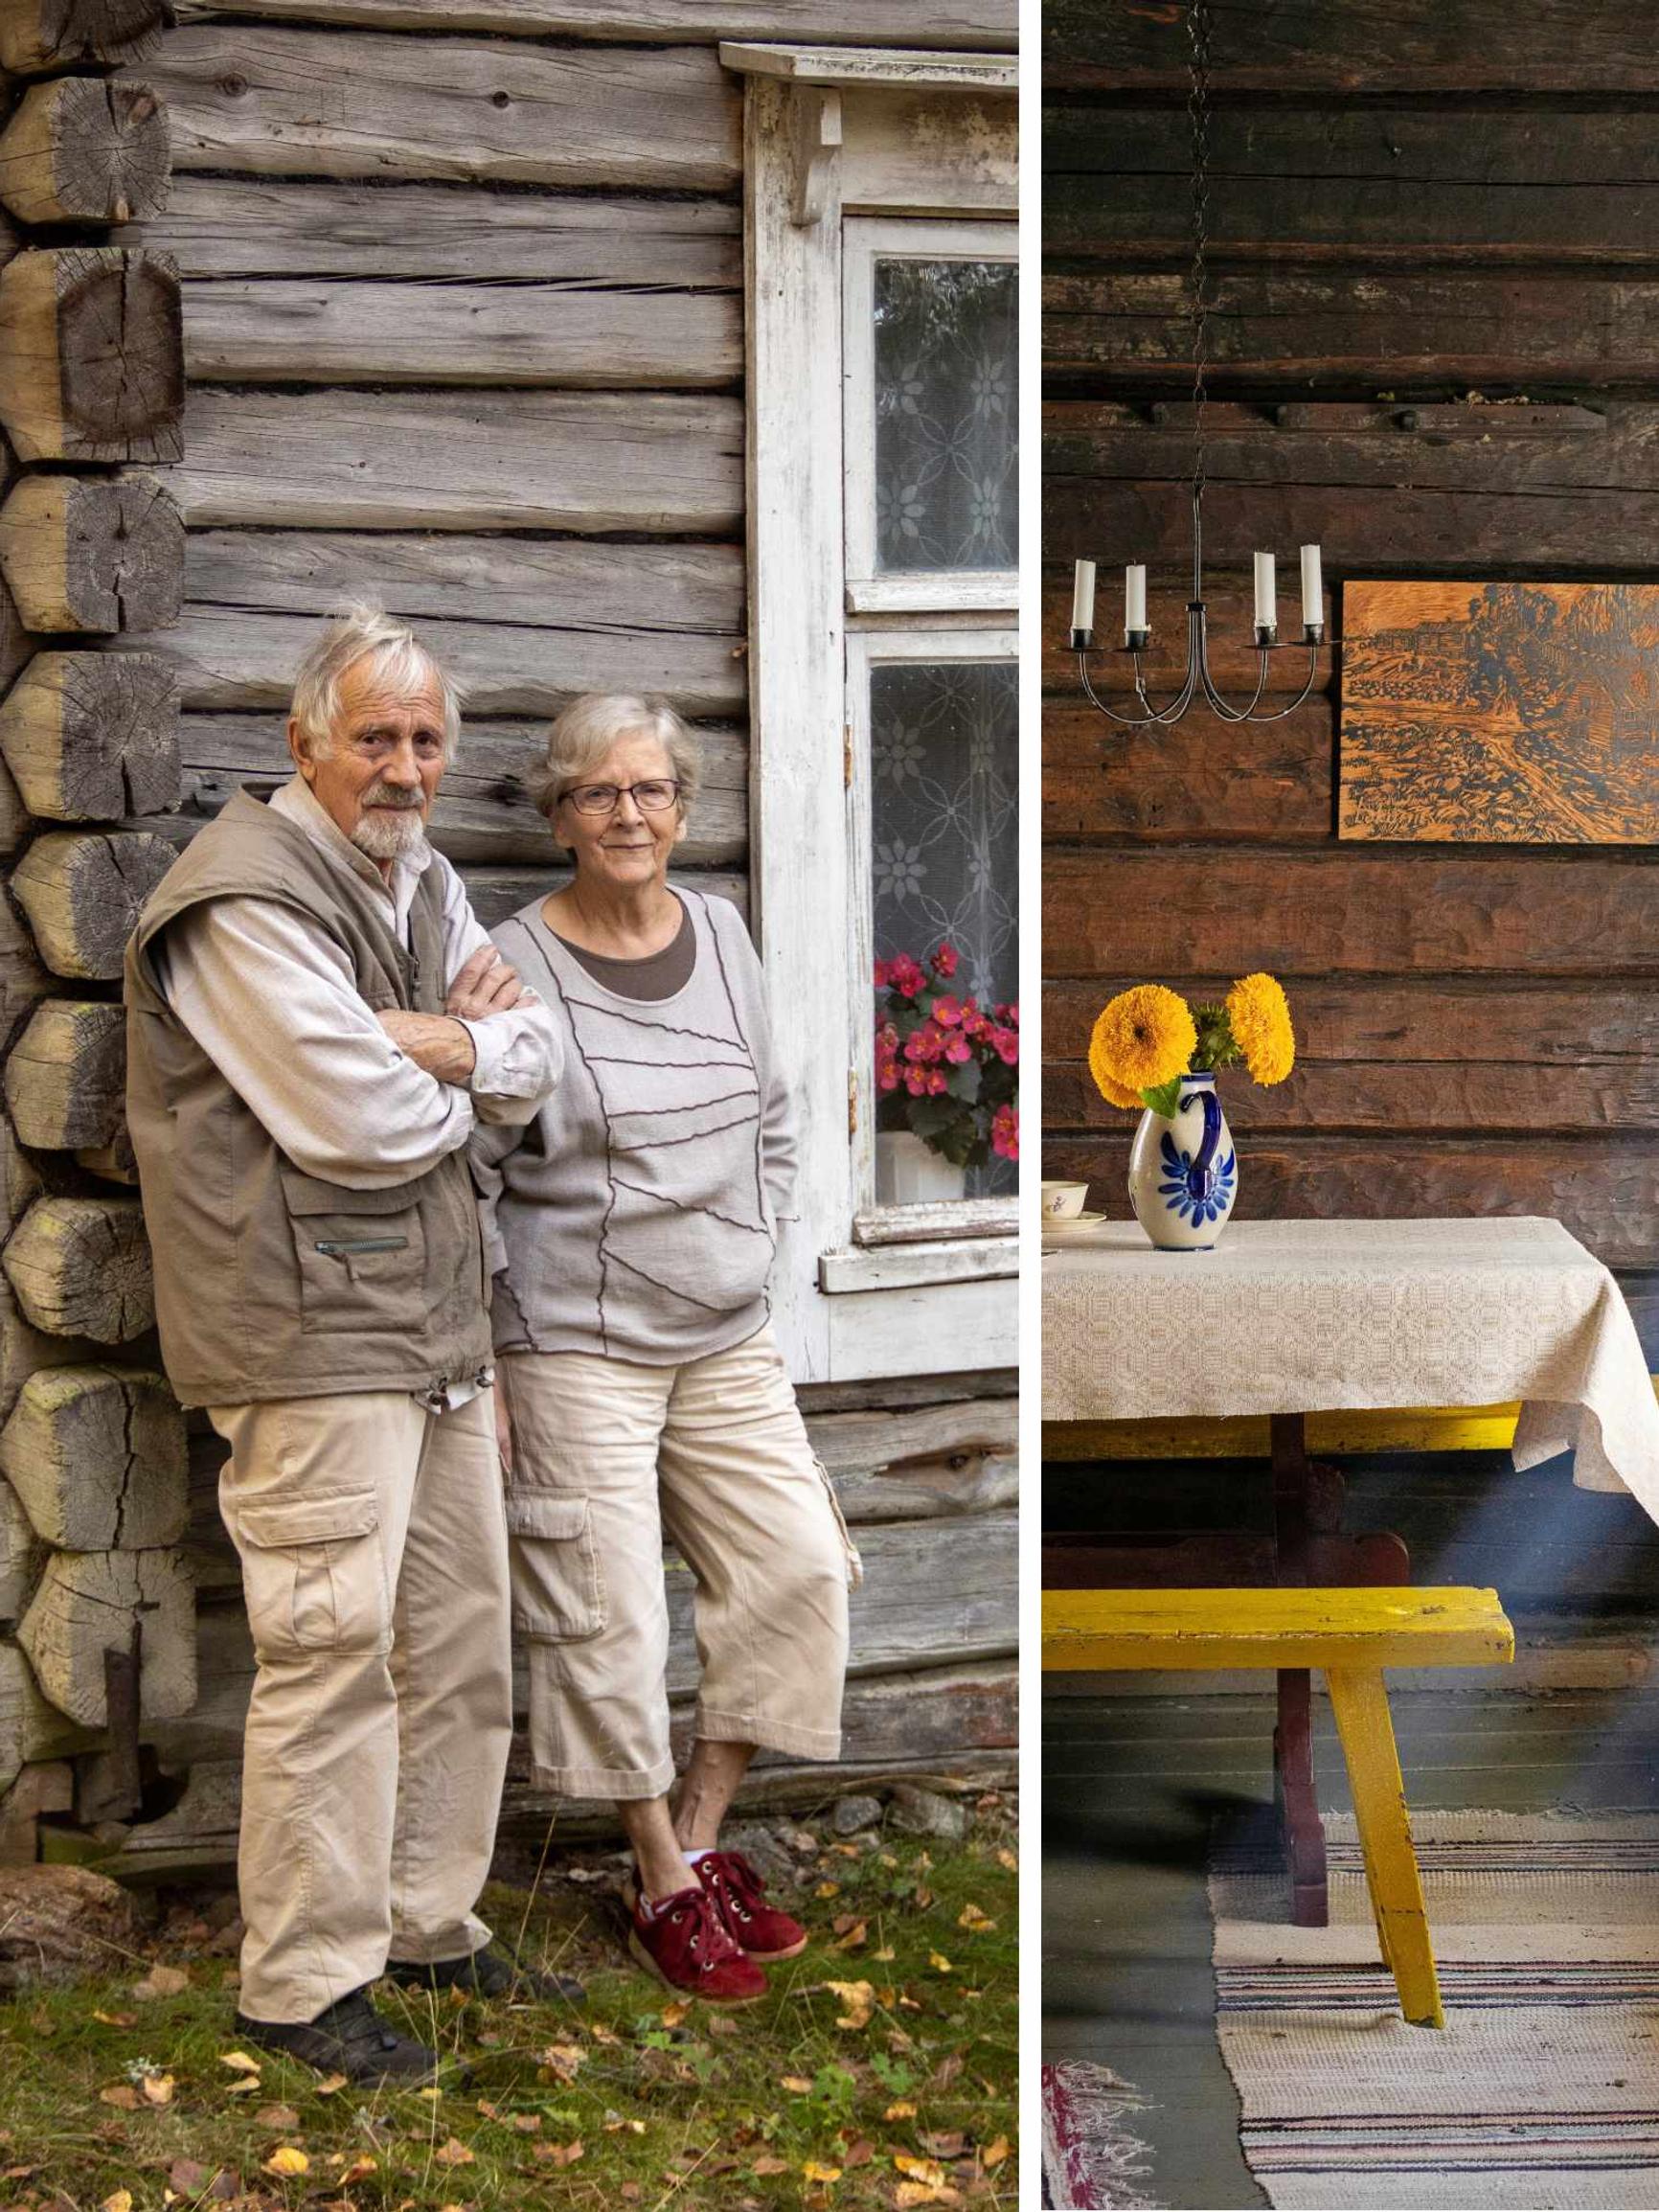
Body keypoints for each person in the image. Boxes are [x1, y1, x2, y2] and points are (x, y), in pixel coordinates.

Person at [124, 605, 577, 2085]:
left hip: (431, 1322)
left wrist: (448, 1040)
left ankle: (427, 1916)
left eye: (427, 738)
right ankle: (305, 1983)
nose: (404, 765)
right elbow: (354, 1119)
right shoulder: (242, 899)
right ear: (303, 740)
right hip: (307, 1334)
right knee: (330, 1653)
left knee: (458, 1641)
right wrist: (456, 1051)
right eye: (374, 736)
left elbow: (532, 1057)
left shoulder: (419, 873)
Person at [473, 692, 861, 2006]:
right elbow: (471, 1170)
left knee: (799, 1565)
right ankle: (657, 1882)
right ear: (560, 813)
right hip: (578, 1342)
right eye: (599, 793)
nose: (628, 815)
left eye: (651, 791)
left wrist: (757, 1244)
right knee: (609, 1619)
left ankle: (697, 1825)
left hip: (725, 1334)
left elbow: (773, 1114)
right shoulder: (515, 964)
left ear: (684, 808)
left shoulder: (727, 931)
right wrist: (500, 1351)